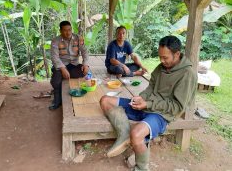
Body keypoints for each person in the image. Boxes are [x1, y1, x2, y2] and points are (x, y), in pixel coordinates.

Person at [100, 36, 197, 171]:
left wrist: (148, 104)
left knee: (137, 134)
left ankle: (141, 168)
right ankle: (124, 133)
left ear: (177, 54)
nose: (161, 61)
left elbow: (176, 107)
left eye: (165, 58)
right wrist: (141, 98)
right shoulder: (161, 67)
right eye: (160, 57)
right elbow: (151, 87)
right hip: (146, 105)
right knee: (105, 100)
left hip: (161, 114)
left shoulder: (187, 74)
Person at [49, 21, 89, 110]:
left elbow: (85, 52)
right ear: (60, 31)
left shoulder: (78, 38)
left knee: (84, 72)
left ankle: (61, 76)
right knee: (56, 81)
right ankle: (57, 101)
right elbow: (54, 57)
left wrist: (85, 64)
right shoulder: (55, 41)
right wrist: (63, 69)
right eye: (65, 30)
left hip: (74, 64)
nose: (68, 32)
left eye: (70, 30)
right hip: (61, 65)